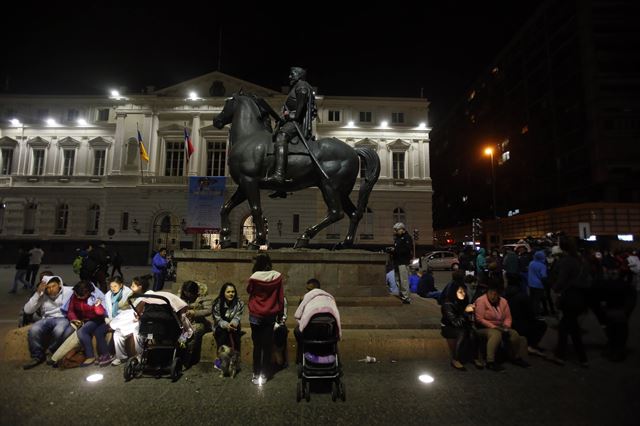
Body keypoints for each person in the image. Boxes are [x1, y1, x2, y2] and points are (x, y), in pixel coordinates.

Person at [265, 66, 316, 188]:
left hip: (296, 123)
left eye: (292, 74)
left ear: (299, 75)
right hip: (292, 120)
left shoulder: (302, 86)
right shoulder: (297, 86)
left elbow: (302, 103)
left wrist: (293, 115)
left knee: (281, 137)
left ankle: (278, 174)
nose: (289, 76)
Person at [548, 237, 592, 368]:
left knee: (569, 327)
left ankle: (565, 356)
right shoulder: (581, 261)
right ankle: (576, 357)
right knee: (570, 327)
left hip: (569, 298)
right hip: (581, 297)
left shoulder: (566, 262)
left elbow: (561, 280)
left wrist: (555, 289)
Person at [247, 253, 285, 385]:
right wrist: (280, 313)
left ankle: (255, 372)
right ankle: (265, 373)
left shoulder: (254, 277)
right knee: (267, 346)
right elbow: (280, 297)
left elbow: (249, 290)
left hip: (255, 314)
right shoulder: (277, 276)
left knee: (257, 346)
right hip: (270, 315)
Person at [22, 275, 74, 369]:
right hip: (47, 319)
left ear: (59, 285)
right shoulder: (42, 295)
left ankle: (51, 351)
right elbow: (27, 310)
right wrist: (38, 293)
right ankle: (37, 356)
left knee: (59, 330)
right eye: (48, 287)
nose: (51, 289)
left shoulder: (68, 291)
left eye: (53, 286)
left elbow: (88, 289)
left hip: (63, 318)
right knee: (34, 329)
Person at [474, 286, 530, 371]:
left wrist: (506, 326)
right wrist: (494, 327)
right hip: (484, 327)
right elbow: (479, 319)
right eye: (491, 293)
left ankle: (515, 357)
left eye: (495, 294)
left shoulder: (503, 302)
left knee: (514, 334)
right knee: (496, 335)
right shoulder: (481, 301)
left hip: (501, 326)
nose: (493, 296)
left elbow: (508, 317)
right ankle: (490, 361)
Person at [63, 280, 112, 367]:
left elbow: (101, 313)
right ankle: (100, 355)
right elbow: (71, 310)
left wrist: (97, 305)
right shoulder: (75, 296)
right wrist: (74, 319)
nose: (77, 297)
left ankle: (91, 356)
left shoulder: (96, 297)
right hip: (83, 320)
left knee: (82, 331)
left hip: (97, 319)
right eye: (76, 294)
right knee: (70, 331)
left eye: (80, 296)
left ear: (88, 293)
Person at [294, 279, 342, 365]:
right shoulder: (328, 298)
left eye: (309, 290)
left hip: (311, 333)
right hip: (327, 332)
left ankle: (300, 359)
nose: (307, 292)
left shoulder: (305, 297)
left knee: (297, 331)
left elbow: (299, 314)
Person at [440, 282, 483, 370]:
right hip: (449, 327)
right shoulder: (448, 304)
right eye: (460, 292)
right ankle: (455, 359)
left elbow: (466, 321)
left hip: (462, 325)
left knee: (473, 333)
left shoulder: (463, 301)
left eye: (464, 291)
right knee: (462, 333)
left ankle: (475, 358)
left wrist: (470, 313)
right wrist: (466, 312)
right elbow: (455, 322)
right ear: (454, 292)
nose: (463, 293)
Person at [179, 280, 213, 367]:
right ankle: (179, 357)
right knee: (181, 338)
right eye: (186, 293)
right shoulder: (180, 297)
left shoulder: (202, 297)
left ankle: (188, 359)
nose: (188, 295)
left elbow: (209, 310)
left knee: (192, 335)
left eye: (189, 293)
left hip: (198, 322)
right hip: (184, 323)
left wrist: (194, 312)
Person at [212, 282, 245, 367]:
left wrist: (233, 324)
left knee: (236, 336)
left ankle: (235, 360)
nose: (231, 294)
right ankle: (219, 361)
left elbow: (238, 316)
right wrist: (226, 325)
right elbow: (217, 318)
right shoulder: (217, 303)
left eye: (233, 292)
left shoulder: (239, 303)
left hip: (234, 324)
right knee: (222, 335)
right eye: (228, 292)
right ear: (223, 293)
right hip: (220, 325)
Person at [387, 222, 413, 304]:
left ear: (402, 229)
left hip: (403, 262)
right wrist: (393, 250)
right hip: (397, 261)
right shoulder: (398, 238)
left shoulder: (407, 237)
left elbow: (407, 250)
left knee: (404, 280)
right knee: (398, 279)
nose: (395, 232)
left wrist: (395, 250)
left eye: (396, 230)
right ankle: (402, 295)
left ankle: (406, 297)